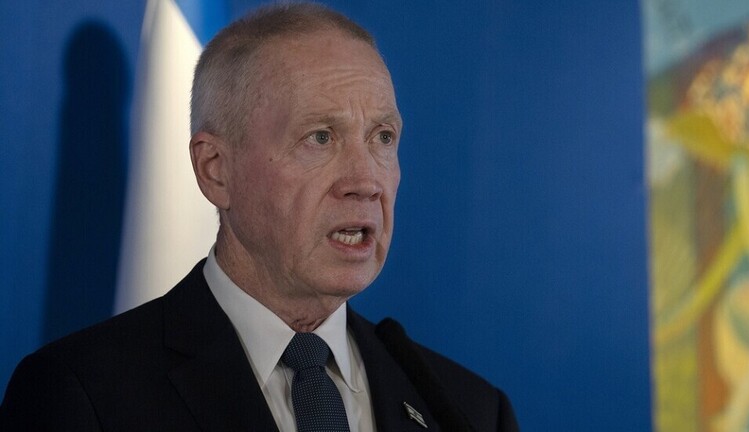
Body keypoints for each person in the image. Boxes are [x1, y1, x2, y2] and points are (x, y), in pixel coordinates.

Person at [0, 3, 519, 431]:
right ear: (216, 170)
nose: (366, 181)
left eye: (382, 137)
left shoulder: (469, 409)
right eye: (320, 137)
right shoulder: (83, 395)